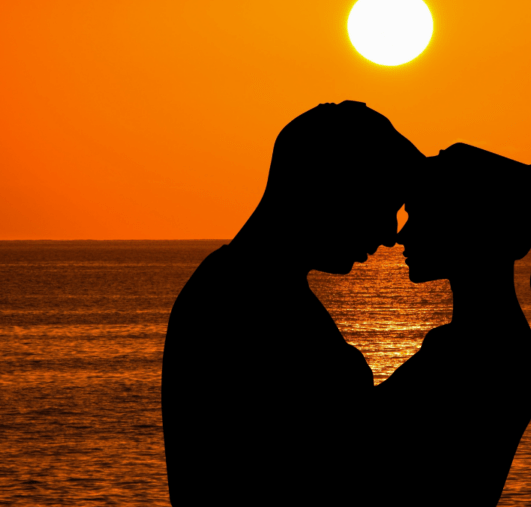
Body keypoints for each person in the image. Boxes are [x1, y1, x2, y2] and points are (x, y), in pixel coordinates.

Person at [161, 101, 424, 506]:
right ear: (331, 191)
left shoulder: (239, 288)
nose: (389, 234)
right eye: (382, 206)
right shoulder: (243, 305)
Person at [372, 143, 531, 506]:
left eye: (419, 215)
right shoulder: (492, 344)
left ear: (466, 225)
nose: (403, 234)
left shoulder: (468, 353)